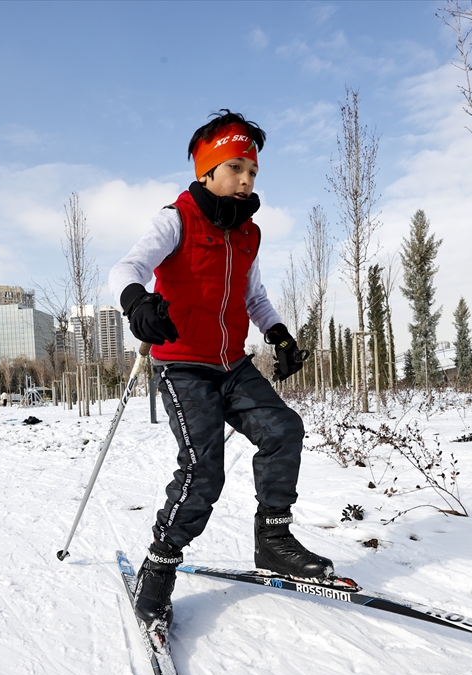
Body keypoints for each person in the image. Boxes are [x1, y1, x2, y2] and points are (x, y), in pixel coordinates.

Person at [109, 109, 331, 635]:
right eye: (236, 168)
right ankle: (159, 567)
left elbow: (253, 295)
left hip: (232, 363)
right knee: (203, 470)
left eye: (253, 172)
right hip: (183, 364)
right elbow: (128, 267)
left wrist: (278, 332)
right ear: (208, 171)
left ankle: (273, 541)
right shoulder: (177, 218)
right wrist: (137, 301)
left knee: (283, 430)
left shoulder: (248, 232)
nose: (247, 180)